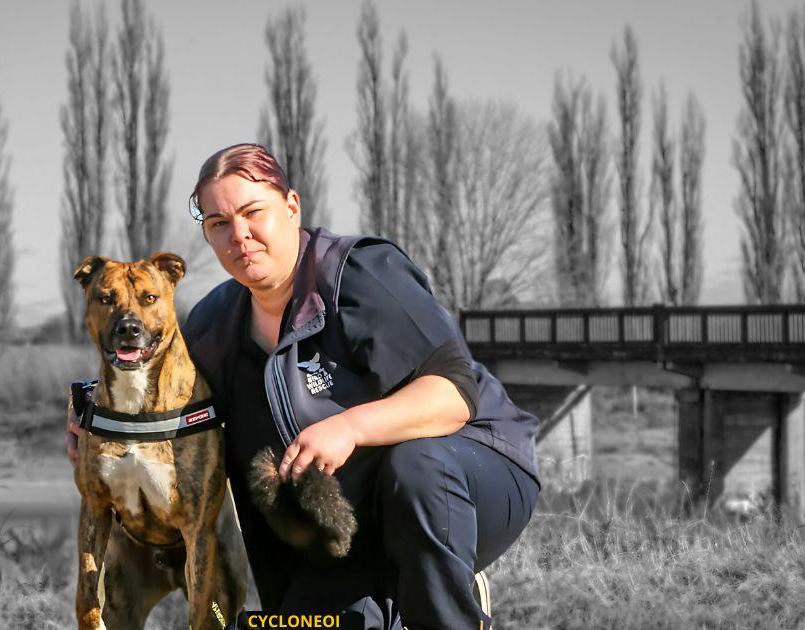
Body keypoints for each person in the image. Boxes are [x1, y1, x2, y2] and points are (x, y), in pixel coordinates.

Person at [67, 143, 539, 630]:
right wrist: (95, 415)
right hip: (341, 524)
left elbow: (454, 395)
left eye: (254, 213)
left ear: (291, 207)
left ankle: (447, 599)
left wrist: (350, 427)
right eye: (219, 224)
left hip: (470, 475)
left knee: (415, 466)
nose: (240, 235)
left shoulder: (359, 275)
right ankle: (398, 595)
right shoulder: (213, 323)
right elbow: (164, 383)